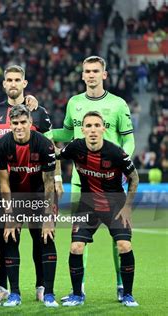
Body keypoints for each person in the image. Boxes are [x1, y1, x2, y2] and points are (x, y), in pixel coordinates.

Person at [53, 56, 135, 302]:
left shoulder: (118, 104)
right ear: (82, 75)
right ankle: (80, 288)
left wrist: (123, 160)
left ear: (104, 75)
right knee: (79, 238)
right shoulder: (74, 102)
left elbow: (128, 138)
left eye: (95, 71)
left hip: (111, 180)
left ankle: (121, 286)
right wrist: (44, 133)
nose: (90, 75)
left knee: (118, 237)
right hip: (82, 180)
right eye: (87, 71)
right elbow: (67, 133)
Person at [0, 65, 63, 301]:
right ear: (4, 83)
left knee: (41, 238)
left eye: (18, 79)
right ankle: (6, 288)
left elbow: (51, 147)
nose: (13, 83)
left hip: (36, 188)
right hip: (5, 187)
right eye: (9, 79)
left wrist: (57, 177)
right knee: (4, 235)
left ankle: (42, 287)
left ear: (24, 83)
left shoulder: (38, 112)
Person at [58, 111, 139, 307]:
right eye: (88, 126)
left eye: (96, 125)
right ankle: (77, 295)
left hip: (115, 205)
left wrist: (127, 208)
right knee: (76, 247)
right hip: (88, 204)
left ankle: (127, 295)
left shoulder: (116, 152)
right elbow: (54, 156)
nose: (93, 130)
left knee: (124, 246)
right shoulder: (76, 147)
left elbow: (134, 177)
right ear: (83, 129)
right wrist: (56, 178)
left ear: (104, 128)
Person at [0, 105, 58, 308]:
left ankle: (47, 292)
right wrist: (10, 215)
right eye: (15, 123)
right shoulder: (2, 145)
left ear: (30, 123)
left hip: (39, 195)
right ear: (10, 125)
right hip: (15, 194)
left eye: (23, 122)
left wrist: (48, 217)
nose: (19, 127)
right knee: (10, 237)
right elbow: (4, 183)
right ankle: (15, 294)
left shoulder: (44, 144)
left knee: (45, 238)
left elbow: (48, 183)